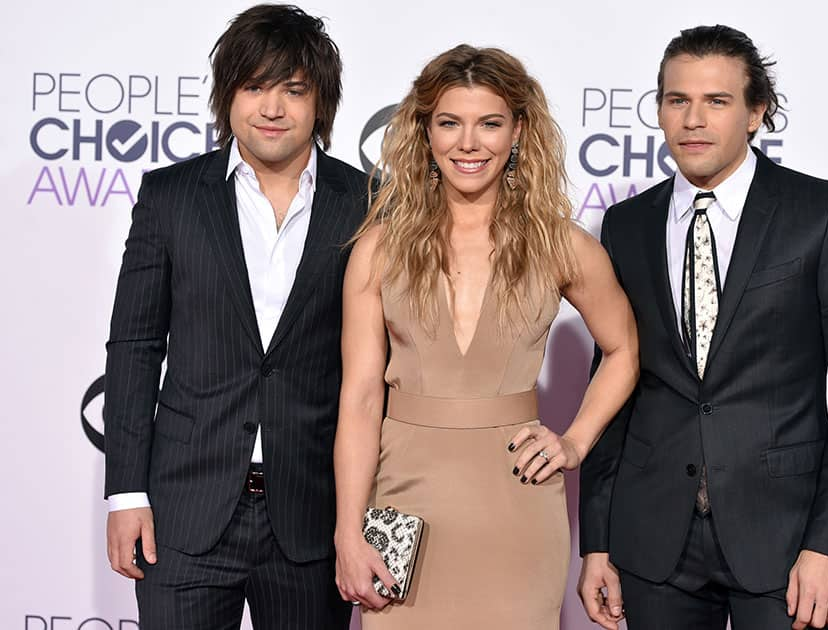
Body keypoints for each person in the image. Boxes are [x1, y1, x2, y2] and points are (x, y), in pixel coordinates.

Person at [578, 24, 828, 630]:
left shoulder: (825, 213)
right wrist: (597, 543)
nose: (693, 119)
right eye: (677, 100)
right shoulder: (626, 224)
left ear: (755, 113)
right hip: (652, 543)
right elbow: (611, 385)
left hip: (786, 542)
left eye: (716, 101)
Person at [332, 44, 639, 629]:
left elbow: (624, 350)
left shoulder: (561, 244)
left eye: (490, 123)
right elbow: (361, 397)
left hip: (517, 509)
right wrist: (348, 531)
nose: (468, 143)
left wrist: (573, 442)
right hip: (404, 504)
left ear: (518, 131)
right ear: (425, 132)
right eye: (449, 123)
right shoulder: (379, 248)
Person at [103, 5, 368, 628]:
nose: (271, 108)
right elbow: (135, 347)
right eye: (253, 87)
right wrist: (125, 494)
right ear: (228, 98)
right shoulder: (170, 197)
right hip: (184, 512)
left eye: (293, 90)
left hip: (313, 515)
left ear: (320, 103)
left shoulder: (367, 204)